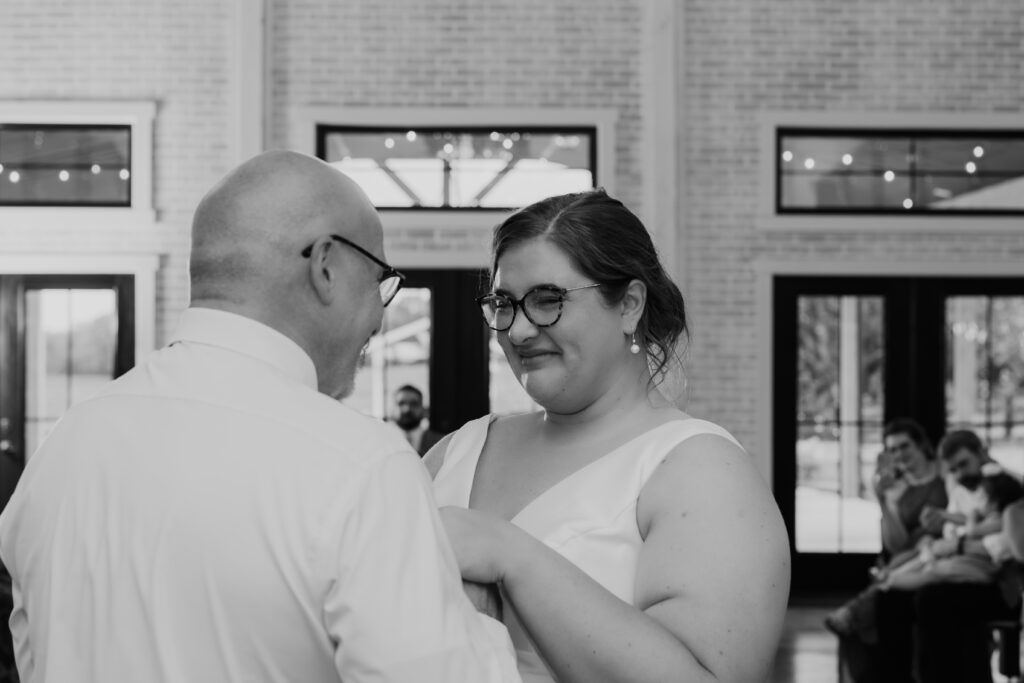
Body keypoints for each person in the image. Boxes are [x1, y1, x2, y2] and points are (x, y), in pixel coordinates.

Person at [0, 151, 519, 683]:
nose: (380, 320)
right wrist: (475, 620)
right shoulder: (360, 465)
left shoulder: (63, 448)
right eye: (380, 280)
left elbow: (34, 656)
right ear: (326, 267)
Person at [424, 189, 791, 683]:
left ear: (629, 306)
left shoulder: (700, 468)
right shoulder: (457, 450)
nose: (518, 332)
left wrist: (510, 554)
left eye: (547, 301)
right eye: (504, 304)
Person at [875, 429, 1020, 683]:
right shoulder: (961, 490)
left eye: (964, 464)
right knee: (891, 599)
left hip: (1002, 583)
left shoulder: (1009, 488)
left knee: (933, 600)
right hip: (961, 566)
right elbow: (953, 532)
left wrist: (958, 544)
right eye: (953, 469)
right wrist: (939, 535)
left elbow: (1007, 548)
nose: (960, 474)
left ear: (982, 452)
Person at [824, 418, 947, 641]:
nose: (899, 454)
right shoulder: (898, 489)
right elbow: (897, 544)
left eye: (904, 446)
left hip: (942, 550)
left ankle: (854, 612)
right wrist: (884, 501)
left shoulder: (945, 472)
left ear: (920, 444)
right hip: (910, 556)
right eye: (892, 449)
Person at [393, 384, 444, 456]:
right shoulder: (382, 442)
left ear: (423, 409)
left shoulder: (441, 442)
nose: (407, 409)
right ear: (392, 409)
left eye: (414, 404)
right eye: (401, 403)